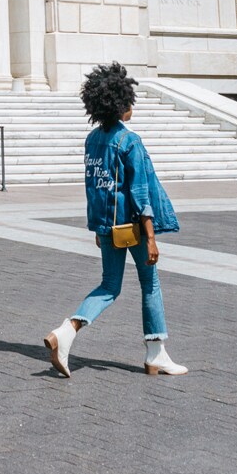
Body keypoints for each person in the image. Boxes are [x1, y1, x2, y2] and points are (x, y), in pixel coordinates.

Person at [44, 62, 187, 378]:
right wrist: (151, 237)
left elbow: (94, 186)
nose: (132, 106)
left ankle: (66, 331)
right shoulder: (129, 141)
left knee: (109, 285)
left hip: (107, 226)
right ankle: (156, 354)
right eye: (129, 101)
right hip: (133, 227)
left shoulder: (93, 140)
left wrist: (98, 228)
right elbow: (139, 193)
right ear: (120, 104)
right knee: (150, 284)